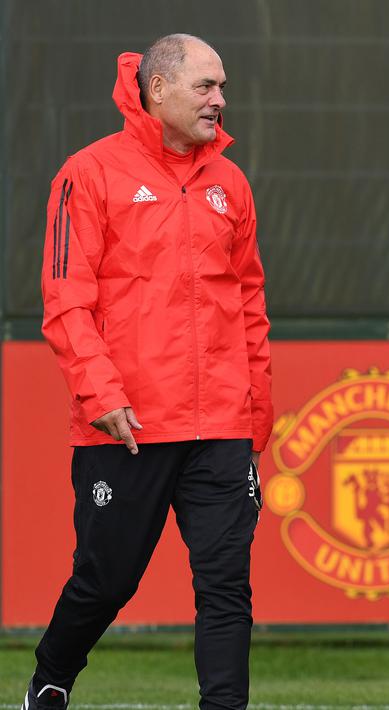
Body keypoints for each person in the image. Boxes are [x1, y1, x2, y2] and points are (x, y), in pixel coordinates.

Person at [24, 34, 272, 710]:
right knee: (106, 581)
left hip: (220, 423)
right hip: (126, 423)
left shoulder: (231, 183)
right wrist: (101, 392)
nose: (220, 100)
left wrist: (257, 414)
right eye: (205, 87)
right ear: (157, 89)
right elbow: (65, 299)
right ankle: (52, 674)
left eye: (221, 87)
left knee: (226, 583)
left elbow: (249, 304)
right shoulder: (89, 172)